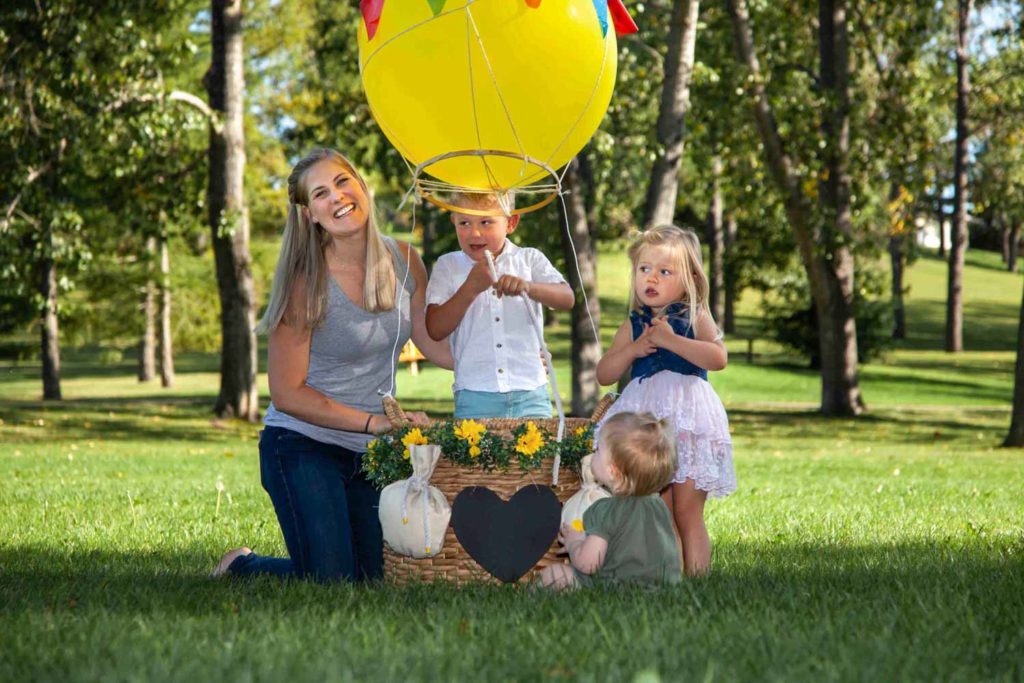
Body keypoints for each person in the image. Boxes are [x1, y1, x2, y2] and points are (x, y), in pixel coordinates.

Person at [211, 148, 453, 582]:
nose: (337, 197)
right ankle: (240, 566)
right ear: (309, 214)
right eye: (321, 193)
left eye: (343, 182)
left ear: (361, 185)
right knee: (332, 580)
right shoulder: (305, 282)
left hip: (368, 454)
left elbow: (430, 341)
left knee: (379, 577)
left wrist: (497, 359)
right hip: (302, 445)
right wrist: (372, 424)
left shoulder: (404, 261)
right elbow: (287, 393)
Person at [594, 225, 735, 577]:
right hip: (646, 425)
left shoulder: (694, 316)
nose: (651, 278)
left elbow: (717, 358)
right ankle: (670, 576)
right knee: (660, 508)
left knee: (688, 510)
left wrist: (672, 341)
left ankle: (698, 577)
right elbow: (605, 373)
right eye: (644, 269)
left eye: (664, 271)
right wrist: (634, 349)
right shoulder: (633, 323)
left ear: (688, 280)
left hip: (687, 421)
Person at [424, 191, 574, 419]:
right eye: (464, 222)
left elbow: (567, 298)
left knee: (540, 453)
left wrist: (528, 287)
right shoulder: (448, 266)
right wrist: (470, 288)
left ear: (511, 222)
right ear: (453, 220)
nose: (474, 233)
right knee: (475, 455)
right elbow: (435, 328)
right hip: (475, 394)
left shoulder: (529, 259)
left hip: (530, 392)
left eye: (486, 222)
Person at [538, 411, 681, 589]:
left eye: (598, 450)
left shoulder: (605, 510)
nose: (594, 454)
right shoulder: (659, 506)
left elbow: (588, 564)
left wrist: (574, 543)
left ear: (613, 471)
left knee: (553, 575)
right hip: (662, 588)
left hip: (616, 587)